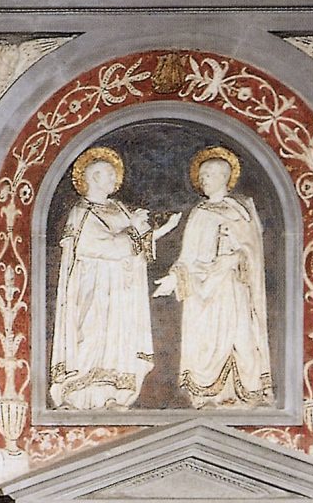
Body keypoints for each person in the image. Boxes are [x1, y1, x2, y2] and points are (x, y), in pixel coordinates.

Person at [49, 147, 177, 411]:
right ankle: (83, 395)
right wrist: (134, 229)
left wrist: (162, 230)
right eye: (108, 174)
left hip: (121, 289)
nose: (114, 179)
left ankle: (113, 395)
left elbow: (138, 243)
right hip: (94, 287)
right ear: (93, 177)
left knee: (119, 339)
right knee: (92, 335)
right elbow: (96, 245)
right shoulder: (81, 211)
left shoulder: (119, 208)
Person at [154, 146, 272, 407]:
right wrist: (174, 278)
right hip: (203, 289)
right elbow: (187, 257)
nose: (204, 179)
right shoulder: (200, 213)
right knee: (207, 339)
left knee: (241, 335)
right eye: (202, 175)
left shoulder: (241, 211)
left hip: (233, 285)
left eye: (209, 174)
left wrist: (236, 257)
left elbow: (253, 250)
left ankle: (244, 393)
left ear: (224, 177)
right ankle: (208, 396)